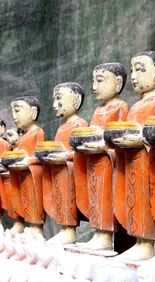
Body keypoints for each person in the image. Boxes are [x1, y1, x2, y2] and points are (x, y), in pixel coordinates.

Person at [113, 51, 155, 260]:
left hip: (148, 162)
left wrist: (139, 138)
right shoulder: (134, 107)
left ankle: (146, 243)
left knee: (146, 201)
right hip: (131, 163)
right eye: (132, 70)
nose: (135, 76)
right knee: (133, 200)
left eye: (140, 69)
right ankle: (139, 240)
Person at [73, 63, 129, 250]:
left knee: (106, 199)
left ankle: (105, 235)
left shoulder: (121, 107)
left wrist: (103, 145)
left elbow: (120, 137)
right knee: (95, 198)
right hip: (94, 162)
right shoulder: (98, 111)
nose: (94, 86)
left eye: (100, 81)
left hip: (109, 162)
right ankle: (98, 232)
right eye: (93, 81)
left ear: (118, 83)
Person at [42, 82, 88, 244]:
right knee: (59, 196)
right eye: (54, 100)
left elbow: (81, 151)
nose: (55, 105)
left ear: (75, 100)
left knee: (68, 197)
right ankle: (64, 228)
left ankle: (69, 230)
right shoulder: (62, 128)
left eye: (59, 99)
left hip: (71, 172)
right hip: (59, 171)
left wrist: (64, 157)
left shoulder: (79, 124)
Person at [9, 96, 45, 235]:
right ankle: (27, 225)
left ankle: (36, 227)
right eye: (13, 112)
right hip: (23, 175)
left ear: (33, 112)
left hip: (32, 175)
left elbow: (38, 156)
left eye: (17, 111)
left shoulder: (37, 132)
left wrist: (27, 161)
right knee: (24, 201)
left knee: (33, 201)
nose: (14, 116)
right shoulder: (24, 136)